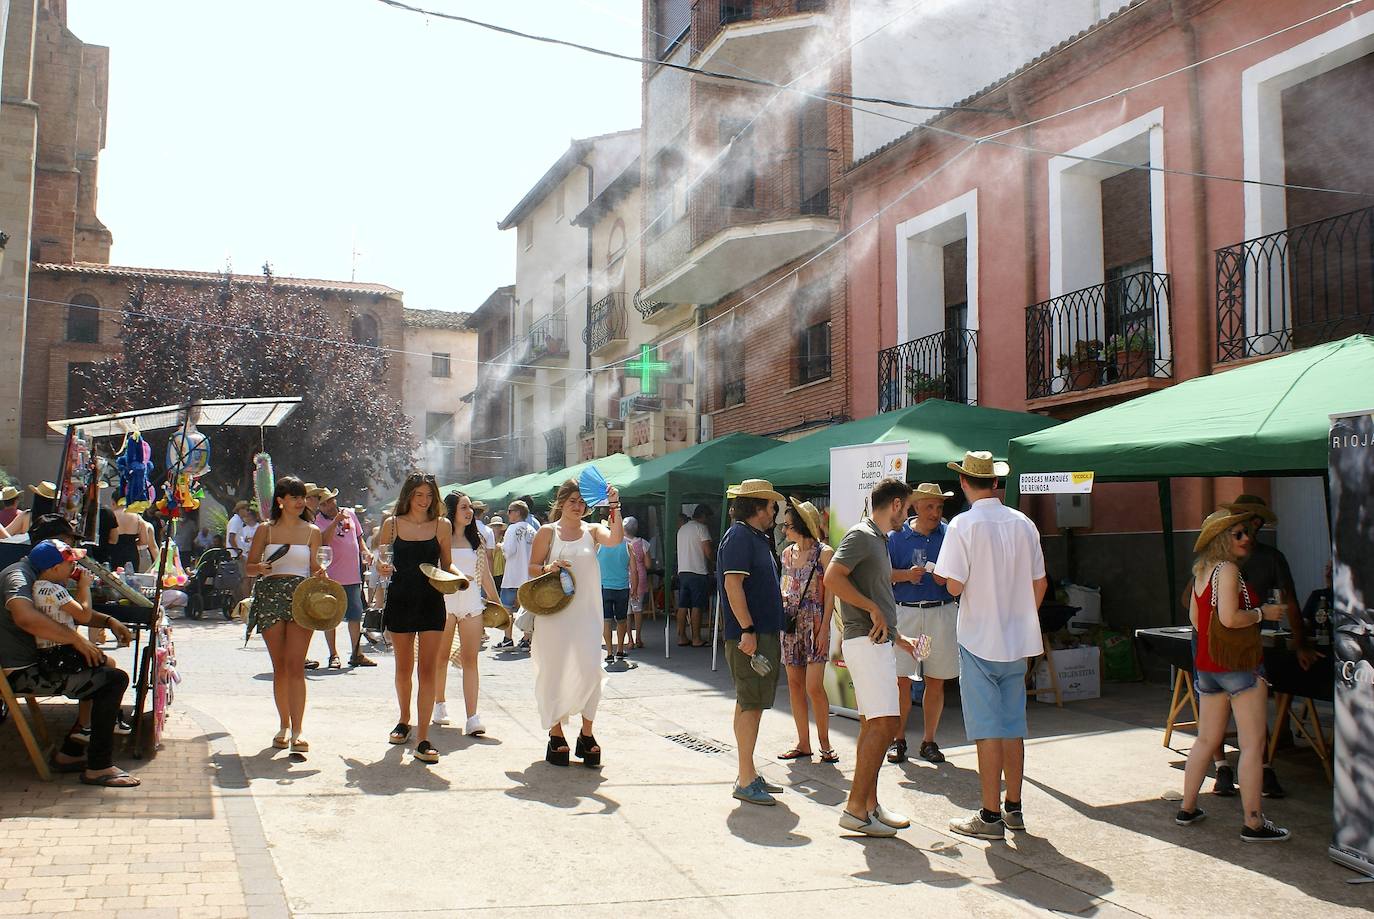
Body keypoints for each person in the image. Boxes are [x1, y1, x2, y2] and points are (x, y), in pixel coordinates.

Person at [935, 451, 1048, 842]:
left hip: (979, 637)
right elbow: (1040, 583)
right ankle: (1014, 808)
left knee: (987, 730)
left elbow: (953, 585)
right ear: (995, 483)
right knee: (1013, 725)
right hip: (1017, 641)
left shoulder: (963, 525)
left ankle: (989, 814)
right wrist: (1020, 616)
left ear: (965, 483)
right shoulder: (1024, 523)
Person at [1176, 509, 1291, 842]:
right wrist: (1262, 613)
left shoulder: (1202, 571)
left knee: (1207, 739)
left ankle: (1188, 807)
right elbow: (1229, 618)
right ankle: (1253, 822)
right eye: (1238, 533)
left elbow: (1198, 621)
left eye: (1246, 532)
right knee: (1253, 744)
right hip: (1238, 667)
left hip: (1209, 667)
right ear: (1221, 540)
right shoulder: (1227, 570)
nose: (1246, 538)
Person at [1, 538, 139, 786]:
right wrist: (76, 640)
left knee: (100, 668)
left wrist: (107, 621)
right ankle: (98, 766)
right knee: (113, 680)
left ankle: (70, 753)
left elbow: (70, 613)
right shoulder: (18, 576)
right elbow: (24, 617)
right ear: (54, 566)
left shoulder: (39, 577)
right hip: (22, 671)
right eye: (70, 563)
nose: (74, 568)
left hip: (35, 663)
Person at [825, 478, 917, 836]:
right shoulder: (862, 535)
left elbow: (871, 592)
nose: (906, 515)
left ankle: (868, 806)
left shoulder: (875, 538)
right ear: (894, 504)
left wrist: (896, 635)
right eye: (906, 508)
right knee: (884, 725)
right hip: (865, 643)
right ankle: (856, 809)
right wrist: (872, 610)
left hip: (873, 642)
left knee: (874, 725)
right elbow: (832, 577)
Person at [527, 479, 623, 767]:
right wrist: (548, 567)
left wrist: (615, 505)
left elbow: (616, 539)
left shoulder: (592, 531)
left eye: (582, 502)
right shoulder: (547, 532)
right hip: (554, 614)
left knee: (591, 670)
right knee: (554, 671)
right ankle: (556, 733)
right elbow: (531, 568)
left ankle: (587, 733)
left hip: (587, 615)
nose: (578, 506)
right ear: (561, 502)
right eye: (573, 501)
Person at [717, 480, 788, 806]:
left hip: (758, 634)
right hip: (750, 636)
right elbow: (733, 586)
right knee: (750, 702)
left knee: (751, 702)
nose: (775, 511)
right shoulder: (740, 536)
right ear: (759, 507)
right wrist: (747, 629)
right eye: (772, 506)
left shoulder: (753, 537)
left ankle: (748, 772)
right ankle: (745, 779)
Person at [245, 476, 325, 755]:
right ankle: (283, 725)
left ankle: (299, 729)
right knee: (279, 665)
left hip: (302, 596)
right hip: (269, 595)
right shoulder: (265, 531)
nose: (300, 501)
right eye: (293, 497)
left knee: (295, 665)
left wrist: (321, 573)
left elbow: (316, 567)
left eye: (301, 496)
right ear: (280, 500)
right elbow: (248, 568)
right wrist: (261, 567)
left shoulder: (312, 531)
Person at [376, 472, 452, 764]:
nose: (424, 501)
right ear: (408, 495)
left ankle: (423, 737)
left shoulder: (442, 525)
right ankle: (404, 719)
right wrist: (381, 567)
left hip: (432, 600)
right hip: (400, 599)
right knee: (403, 667)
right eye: (419, 495)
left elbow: (447, 564)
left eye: (429, 495)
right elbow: (381, 560)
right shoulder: (391, 524)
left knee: (428, 670)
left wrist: (458, 577)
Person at [887, 482, 958, 765]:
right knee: (901, 681)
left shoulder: (949, 534)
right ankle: (898, 739)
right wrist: (906, 576)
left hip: (939, 613)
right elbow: (882, 575)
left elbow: (962, 571)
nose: (935, 512)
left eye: (939, 507)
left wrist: (947, 577)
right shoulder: (896, 536)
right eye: (930, 506)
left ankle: (929, 741)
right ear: (915, 506)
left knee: (935, 680)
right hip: (907, 614)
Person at [776, 499, 836, 764]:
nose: (783, 530)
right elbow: (784, 586)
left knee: (814, 687)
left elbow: (831, 596)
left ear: (800, 526)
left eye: (787, 525)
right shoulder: (786, 553)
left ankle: (825, 743)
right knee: (794, 684)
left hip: (815, 622)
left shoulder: (824, 553)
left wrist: (823, 630)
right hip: (790, 623)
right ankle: (803, 742)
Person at [436, 491, 499, 735]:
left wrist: (497, 603)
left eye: (470, 507)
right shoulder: (441, 538)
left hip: (472, 603)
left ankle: (472, 717)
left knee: (471, 660)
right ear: (451, 511)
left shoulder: (478, 540)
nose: (469, 511)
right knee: (441, 658)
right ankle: (439, 704)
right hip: (445, 602)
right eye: (464, 507)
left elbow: (485, 576)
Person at [315, 489, 375, 668]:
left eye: (330, 501)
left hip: (352, 575)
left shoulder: (349, 513)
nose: (328, 505)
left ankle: (356, 653)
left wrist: (365, 551)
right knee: (330, 616)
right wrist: (335, 522)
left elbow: (359, 538)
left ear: (335, 500)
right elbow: (323, 541)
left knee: (355, 615)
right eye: (323, 503)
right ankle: (333, 655)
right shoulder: (318, 521)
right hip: (331, 576)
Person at [500, 500, 538, 651]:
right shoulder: (532, 529)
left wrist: (501, 546)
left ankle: (508, 638)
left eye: (510, 511)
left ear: (517, 513)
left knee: (507, 608)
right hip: (528, 575)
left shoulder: (512, 529)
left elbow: (509, 551)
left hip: (513, 575)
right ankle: (527, 639)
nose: (508, 514)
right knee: (528, 607)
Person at [676, 504, 715, 647]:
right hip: (698, 571)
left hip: (683, 571)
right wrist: (714, 560)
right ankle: (696, 638)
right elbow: (708, 551)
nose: (709, 521)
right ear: (703, 516)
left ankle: (681, 637)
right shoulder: (701, 528)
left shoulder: (682, 529)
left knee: (683, 605)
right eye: (708, 518)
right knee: (696, 606)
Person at [598, 514, 632, 663]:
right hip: (622, 588)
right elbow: (634, 570)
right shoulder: (627, 545)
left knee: (606, 621)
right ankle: (619, 650)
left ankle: (609, 652)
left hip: (604, 587)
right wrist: (635, 588)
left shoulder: (599, 545)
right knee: (621, 620)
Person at [624, 517, 649, 650]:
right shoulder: (643, 543)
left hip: (624, 578)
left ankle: (629, 640)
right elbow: (648, 564)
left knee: (626, 611)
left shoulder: (620, 543)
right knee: (638, 609)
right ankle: (639, 638)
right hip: (640, 577)